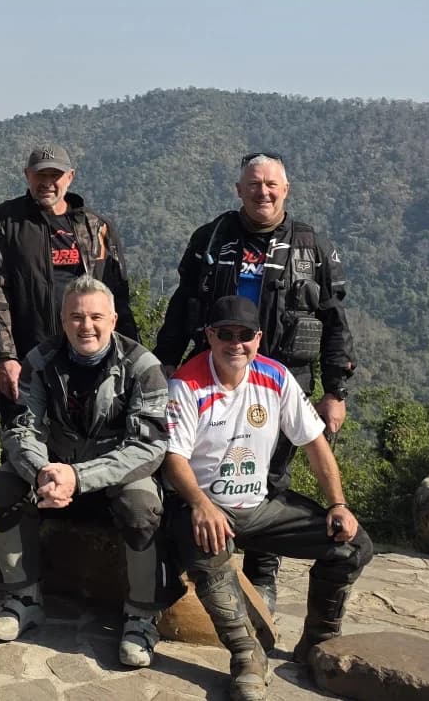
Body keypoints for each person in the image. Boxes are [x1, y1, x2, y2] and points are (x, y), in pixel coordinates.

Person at [152, 151, 356, 611]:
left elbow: (334, 319)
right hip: (216, 371)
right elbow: (183, 300)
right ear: (238, 189)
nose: (262, 192)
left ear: (286, 190)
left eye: (271, 185)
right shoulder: (212, 238)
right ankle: (197, 554)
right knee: (205, 462)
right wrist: (165, 359)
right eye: (253, 184)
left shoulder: (311, 246)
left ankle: (262, 572)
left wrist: (334, 391)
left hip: (283, 377)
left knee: (273, 479)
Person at [163, 295, 374, 700]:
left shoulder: (275, 378)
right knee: (204, 544)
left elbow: (315, 445)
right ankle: (246, 655)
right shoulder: (187, 383)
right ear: (210, 336)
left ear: (258, 338)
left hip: (260, 506)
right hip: (208, 503)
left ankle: (317, 641)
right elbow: (175, 458)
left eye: (245, 335)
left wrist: (338, 505)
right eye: (225, 334)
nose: (235, 344)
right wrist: (201, 504)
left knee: (351, 545)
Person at [0, 274, 168, 668]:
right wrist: (42, 471)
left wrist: (80, 477)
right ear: (62, 321)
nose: (87, 326)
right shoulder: (40, 361)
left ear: (114, 319)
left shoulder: (142, 367)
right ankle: (22, 597)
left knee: (142, 508)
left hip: (114, 475)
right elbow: (20, 428)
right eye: (76, 317)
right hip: (54, 472)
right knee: (4, 485)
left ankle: (141, 617)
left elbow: (147, 447)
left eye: (96, 317)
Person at [0, 144, 138, 415]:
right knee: (26, 446)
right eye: (40, 175)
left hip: (90, 362)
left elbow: (118, 299)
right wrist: (6, 356)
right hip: (30, 361)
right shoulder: (6, 222)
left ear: (70, 177)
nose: (47, 183)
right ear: (27, 175)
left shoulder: (97, 227)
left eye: (55, 175)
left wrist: (131, 359)